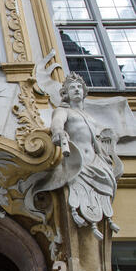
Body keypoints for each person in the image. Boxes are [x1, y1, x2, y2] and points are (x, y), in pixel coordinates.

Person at [51, 72, 122, 240]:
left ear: (84, 92)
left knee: (104, 188)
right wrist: (59, 133)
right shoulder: (63, 111)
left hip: (96, 162)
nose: (76, 90)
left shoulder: (89, 117)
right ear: (66, 94)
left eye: (78, 87)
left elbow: (95, 141)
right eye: (72, 88)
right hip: (78, 160)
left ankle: (106, 220)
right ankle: (91, 222)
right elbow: (57, 125)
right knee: (79, 192)